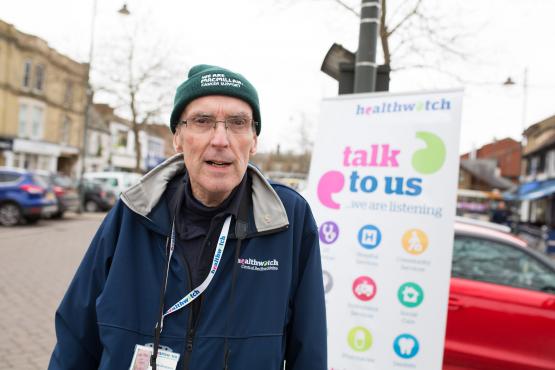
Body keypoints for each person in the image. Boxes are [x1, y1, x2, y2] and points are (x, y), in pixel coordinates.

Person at [48, 64, 327, 370]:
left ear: (254, 140)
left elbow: (309, 348)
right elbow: (76, 336)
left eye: (237, 123)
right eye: (202, 121)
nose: (220, 140)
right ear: (178, 138)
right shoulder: (134, 212)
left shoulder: (288, 218)